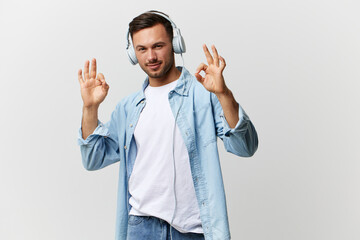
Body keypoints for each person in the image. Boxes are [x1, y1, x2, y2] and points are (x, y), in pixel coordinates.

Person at [77, 10, 258, 240]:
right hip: (141, 227)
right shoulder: (128, 108)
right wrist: (90, 109)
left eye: (158, 46)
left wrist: (223, 94)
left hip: (192, 230)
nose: (150, 56)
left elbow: (246, 146)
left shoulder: (203, 95)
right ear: (133, 53)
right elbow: (93, 159)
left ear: (175, 44)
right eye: (142, 49)